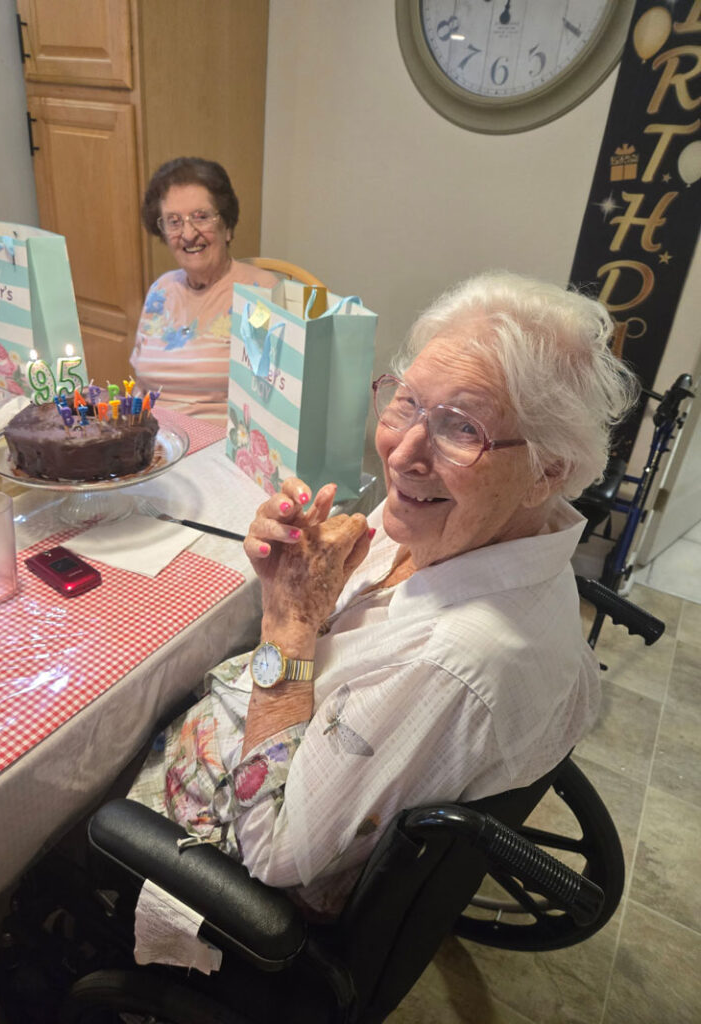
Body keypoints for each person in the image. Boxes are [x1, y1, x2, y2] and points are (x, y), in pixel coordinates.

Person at [130, 271, 639, 917]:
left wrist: (288, 624)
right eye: (407, 402)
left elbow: (274, 852)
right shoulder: (475, 526)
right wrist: (305, 577)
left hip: (215, 856)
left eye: (462, 428)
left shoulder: (452, 661)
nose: (402, 454)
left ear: (548, 471)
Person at [131, 157, 278, 423]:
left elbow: (271, 401)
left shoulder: (260, 296)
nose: (188, 234)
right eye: (174, 221)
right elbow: (140, 386)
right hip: (154, 438)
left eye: (201, 217)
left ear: (227, 227)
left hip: (220, 443)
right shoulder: (160, 290)